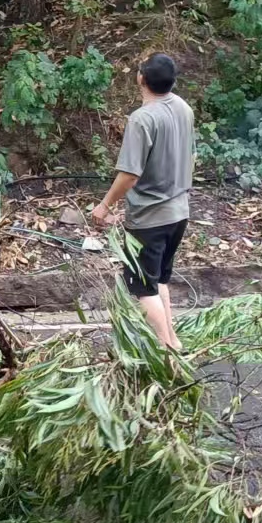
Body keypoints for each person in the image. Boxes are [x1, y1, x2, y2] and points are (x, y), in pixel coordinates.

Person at [90, 53, 195, 350]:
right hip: (179, 212)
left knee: (141, 287)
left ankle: (167, 351)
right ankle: (173, 340)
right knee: (159, 280)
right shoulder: (183, 108)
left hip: (150, 217)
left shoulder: (143, 119)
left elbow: (130, 175)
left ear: (141, 79)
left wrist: (105, 205)